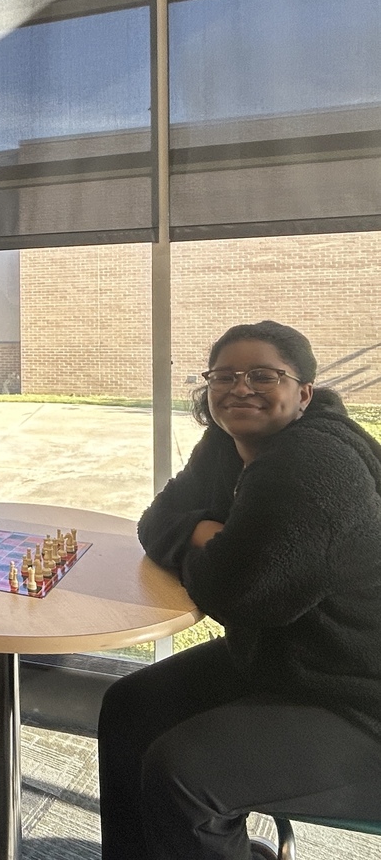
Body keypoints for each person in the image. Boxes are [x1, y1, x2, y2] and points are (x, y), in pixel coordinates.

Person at [97, 320, 381, 860]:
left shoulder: (314, 460)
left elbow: (240, 593)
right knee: (131, 706)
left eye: (263, 375)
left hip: (360, 697)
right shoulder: (232, 439)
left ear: (304, 392)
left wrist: (210, 544)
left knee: (185, 771)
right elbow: (156, 518)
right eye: (223, 375)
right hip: (291, 663)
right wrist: (209, 535)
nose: (240, 388)